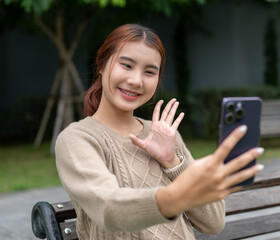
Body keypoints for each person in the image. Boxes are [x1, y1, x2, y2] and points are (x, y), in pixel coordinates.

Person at [55, 23, 264, 240]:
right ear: (102, 65)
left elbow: (214, 222)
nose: (135, 80)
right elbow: (107, 208)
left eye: (149, 72)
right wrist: (177, 196)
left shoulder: (163, 134)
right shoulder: (77, 139)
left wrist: (173, 162)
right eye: (126, 65)